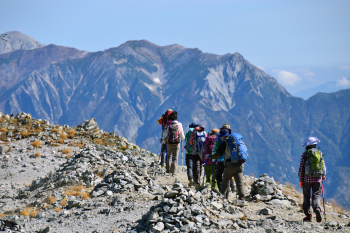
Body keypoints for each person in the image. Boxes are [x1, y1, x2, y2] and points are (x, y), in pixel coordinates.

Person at [210, 128, 245, 200]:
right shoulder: (236, 140)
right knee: (239, 182)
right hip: (240, 164)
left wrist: (211, 157)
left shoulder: (225, 142)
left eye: (221, 136)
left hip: (230, 165)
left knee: (225, 180)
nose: (220, 138)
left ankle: (222, 196)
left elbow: (219, 153)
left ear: (223, 136)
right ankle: (242, 198)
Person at [298, 137, 326, 222]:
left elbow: (301, 168)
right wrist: (323, 175)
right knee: (316, 195)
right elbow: (323, 166)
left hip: (307, 179)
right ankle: (317, 208)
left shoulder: (305, 154)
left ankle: (309, 215)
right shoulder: (319, 153)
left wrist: (301, 180)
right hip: (318, 179)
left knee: (306, 197)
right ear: (315, 144)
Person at [212, 124, 235, 192]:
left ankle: (221, 190)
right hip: (230, 160)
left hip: (220, 159)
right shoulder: (232, 137)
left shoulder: (219, 137)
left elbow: (214, 149)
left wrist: (213, 158)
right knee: (228, 174)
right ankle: (233, 187)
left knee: (218, 175)